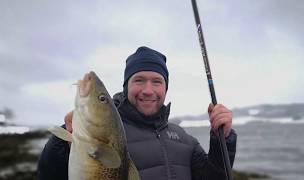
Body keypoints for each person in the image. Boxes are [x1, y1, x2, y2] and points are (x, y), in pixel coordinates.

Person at [38, 46, 237, 180]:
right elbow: (49, 174)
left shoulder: (185, 140)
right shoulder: (103, 134)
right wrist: (64, 142)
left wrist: (222, 140)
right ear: (127, 86)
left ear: (165, 89)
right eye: (139, 80)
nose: (148, 90)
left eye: (157, 81)